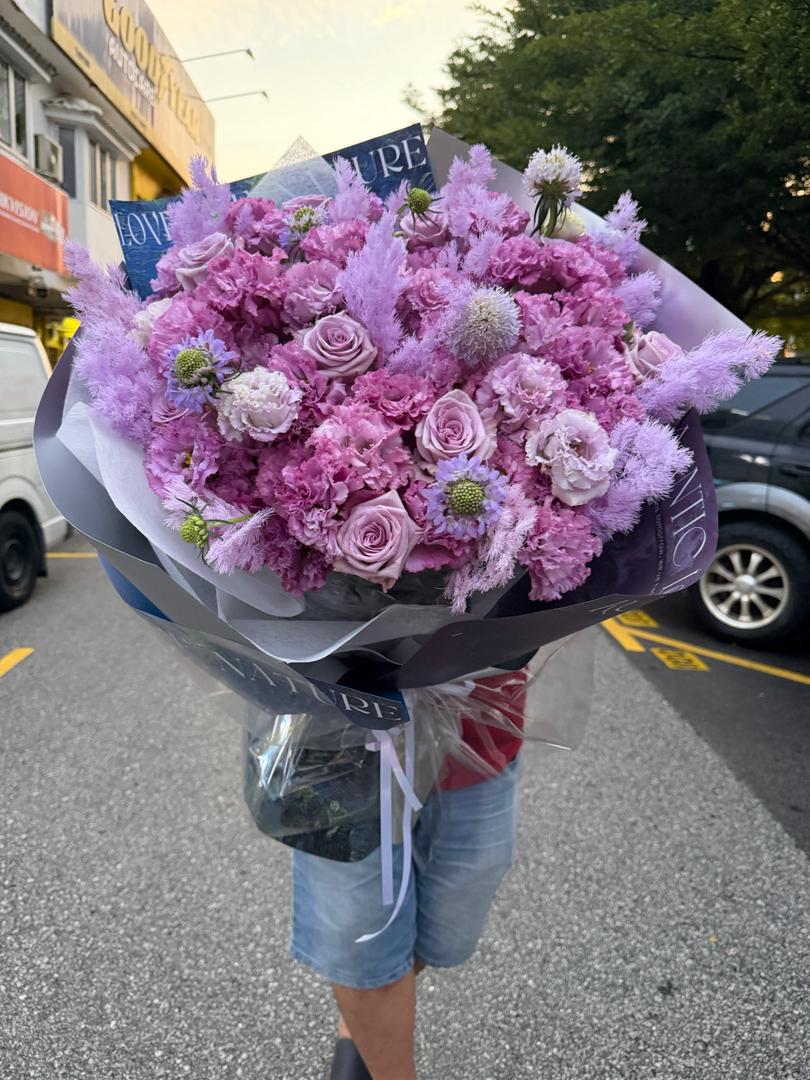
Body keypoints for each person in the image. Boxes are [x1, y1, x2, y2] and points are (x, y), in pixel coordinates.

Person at [289, 671, 527, 1080]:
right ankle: (374, 1029)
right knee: (361, 940)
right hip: (338, 743)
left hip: (480, 729)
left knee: (448, 926)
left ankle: (368, 1016)